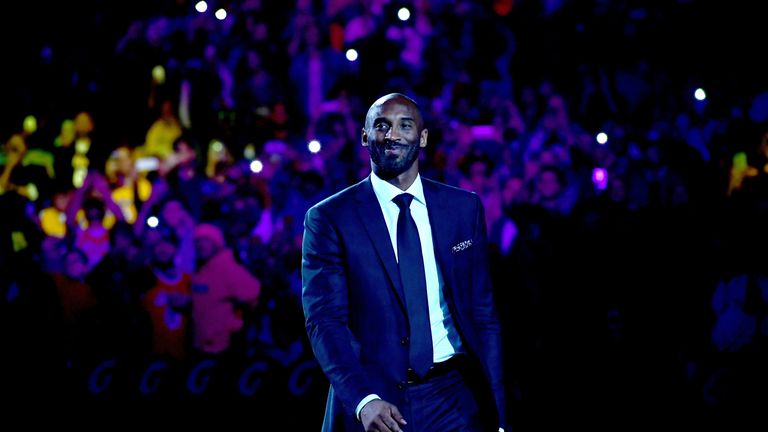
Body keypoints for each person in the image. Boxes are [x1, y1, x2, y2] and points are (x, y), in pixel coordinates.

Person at [302, 93, 507, 432]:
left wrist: (497, 414)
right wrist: (362, 399)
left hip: (455, 397)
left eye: (405, 125)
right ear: (366, 137)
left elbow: (484, 315)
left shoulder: (462, 209)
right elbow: (324, 321)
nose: (393, 134)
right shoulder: (329, 218)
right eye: (381, 125)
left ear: (422, 137)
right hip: (378, 402)